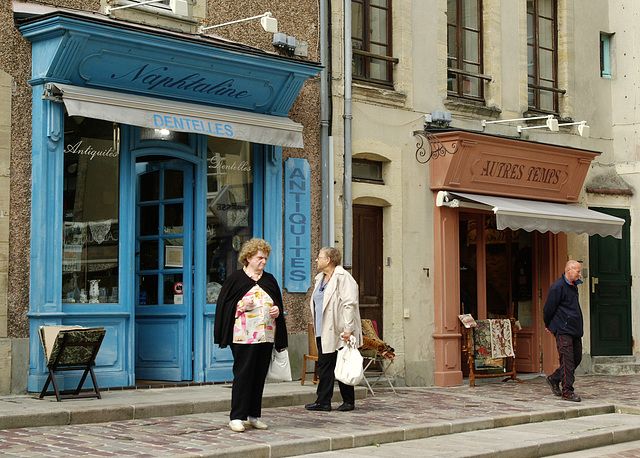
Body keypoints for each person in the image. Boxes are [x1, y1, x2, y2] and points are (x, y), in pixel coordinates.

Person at [213, 238, 288, 432]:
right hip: (243, 336)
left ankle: (254, 416)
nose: (263, 261)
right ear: (248, 257)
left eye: (265, 258)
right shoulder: (236, 279)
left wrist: (277, 311)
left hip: (266, 335)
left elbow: (277, 304)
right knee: (243, 374)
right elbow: (223, 306)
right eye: (260, 258)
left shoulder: (269, 279)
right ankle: (236, 416)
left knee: (259, 375)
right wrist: (240, 305)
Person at [305, 247, 362, 412]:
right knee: (324, 365)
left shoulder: (343, 277)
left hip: (339, 330)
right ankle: (323, 401)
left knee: (343, 361)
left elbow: (349, 304)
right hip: (322, 329)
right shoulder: (320, 278)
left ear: (328, 260)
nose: (317, 260)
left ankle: (349, 401)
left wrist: (348, 329)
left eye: (319, 257)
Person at [543, 260, 584, 402]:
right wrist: (549, 325)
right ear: (569, 270)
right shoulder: (557, 287)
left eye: (580, 271)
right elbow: (548, 309)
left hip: (575, 329)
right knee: (567, 360)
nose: (580, 274)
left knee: (577, 358)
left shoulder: (573, 286)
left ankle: (554, 378)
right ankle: (567, 391)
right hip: (563, 328)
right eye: (578, 271)